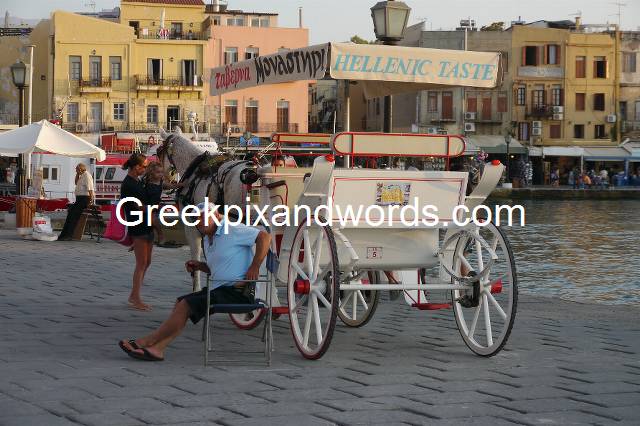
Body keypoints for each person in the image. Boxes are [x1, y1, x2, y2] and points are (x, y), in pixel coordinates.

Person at [118, 203, 271, 361]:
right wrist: (199, 266)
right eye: (196, 219)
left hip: (239, 292)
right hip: (220, 290)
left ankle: (147, 341)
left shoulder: (231, 228)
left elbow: (264, 237)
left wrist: (255, 266)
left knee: (186, 305)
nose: (200, 221)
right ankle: (157, 349)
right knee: (181, 302)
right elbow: (217, 268)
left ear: (216, 216)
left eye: (204, 217)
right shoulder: (208, 239)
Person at [120, 153, 154, 311]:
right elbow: (138, 207)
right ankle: (135, 297)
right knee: (141, 263)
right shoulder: (129, 184)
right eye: (144, 166)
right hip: (138, 225)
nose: (146, 169)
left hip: (145, 224)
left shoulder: (137, 181)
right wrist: (156, 209)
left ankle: (134, 295)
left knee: (147, 262)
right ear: (136, 167)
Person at [142, 162, 182, 245]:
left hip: (155, 206)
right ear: (151, 172)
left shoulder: (160, 182)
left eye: (161, 172)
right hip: (147, 206)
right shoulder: (146, 182)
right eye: (158, 172)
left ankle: (159, 237)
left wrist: (182, 184)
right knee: (152, 221)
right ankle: (160, 236)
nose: (160, 174)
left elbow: (171, 186)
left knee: (153, 221)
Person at [58, 164, 94, 241]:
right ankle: (64, 234)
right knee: (70, 213)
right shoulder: (82, 176)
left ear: (80, 169)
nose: (75, 171)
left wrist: (91, 201)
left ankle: (69, 235)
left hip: (84, 199)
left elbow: (90, 189)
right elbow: (76, 182)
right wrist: (77, 174)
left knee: (74, 215)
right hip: (79, 199)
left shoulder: (87, 176)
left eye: (76, 169)